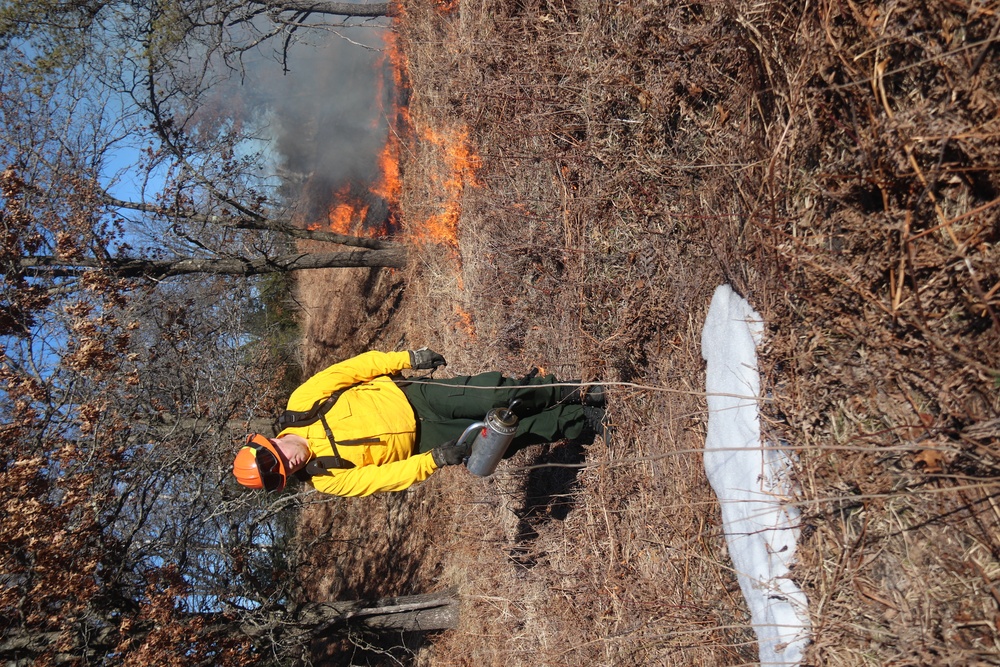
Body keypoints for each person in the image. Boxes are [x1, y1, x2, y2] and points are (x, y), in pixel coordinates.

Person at [232, 348, 607, 497]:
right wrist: (434, 459)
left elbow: (353, 369)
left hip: (413, 396)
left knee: (492, 395)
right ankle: (580, 420)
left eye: (281, 458)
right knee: (502, 437)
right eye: (285, 472)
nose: (291, 463)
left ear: (271, 441)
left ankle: (573, 391)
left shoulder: (301, 405)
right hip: (424, 442)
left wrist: (406, 357)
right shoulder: (325, 479)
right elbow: (383, 479)